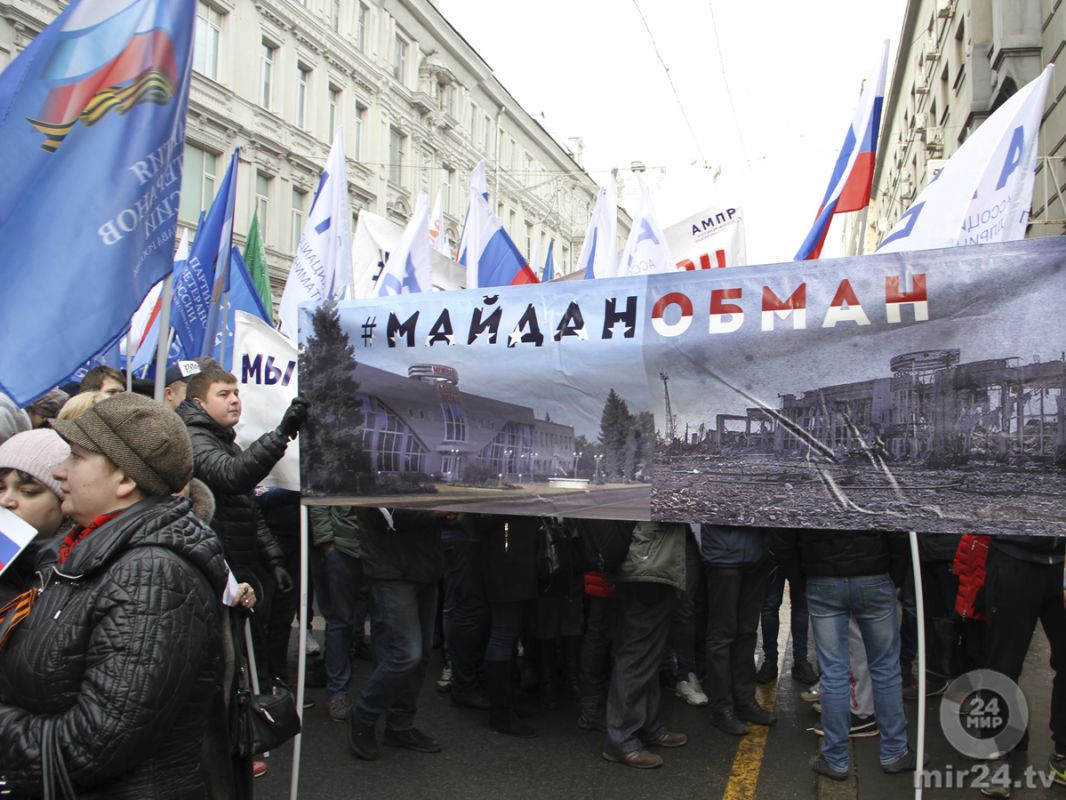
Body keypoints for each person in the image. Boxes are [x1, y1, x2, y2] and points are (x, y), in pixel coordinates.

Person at [0, 393, 228, 798]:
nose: (59, 471)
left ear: (124, 480)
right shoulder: (86, 551)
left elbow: (94, 743)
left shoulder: (152, 575)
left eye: (76, 457)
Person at [177, 366, 308, 685]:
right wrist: (281, 435)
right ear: (199, 403)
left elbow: (248, 509)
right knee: (227, 660)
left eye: (236, 393)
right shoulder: (194, 437)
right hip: (218, 568)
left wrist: (273, 560)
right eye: (223, 394)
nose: (235, 400)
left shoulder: (224, 440)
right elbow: (231, 476)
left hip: (238, 564)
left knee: (251, 649)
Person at [775, 528, 914, 781]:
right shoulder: (878, 493)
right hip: (873, 574)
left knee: (833, 673)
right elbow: (898, 529)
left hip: (823, 578)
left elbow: (784, 536)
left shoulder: (807, 497)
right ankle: (895, 752)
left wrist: (800, 580)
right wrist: (893, 575)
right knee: (885, 668)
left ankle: (835, 758)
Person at [347, 507, 444, 760]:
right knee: (405, 654)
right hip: (390, 570)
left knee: (420, 654)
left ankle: (400, 724)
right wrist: (440, 510)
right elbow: (388, 515)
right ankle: (364, 713)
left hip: (424, 566)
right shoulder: (374, 481)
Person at [979, 533, 1066, 798]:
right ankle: (996, 754)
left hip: (1061, 562)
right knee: (1003, 664)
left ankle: (1063, 752)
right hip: (1013, 559)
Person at [602, 521, 688, 769]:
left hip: (652, 560)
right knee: (637, 654)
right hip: (648, 562)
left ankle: (650, 725)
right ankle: (621, 739)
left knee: (650, 654)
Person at [700, 525, 776, 735]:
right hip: (723, 556)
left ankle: (744, 700)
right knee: (722, 635)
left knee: (747, 632)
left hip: (755, 554)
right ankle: (722, 708)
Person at [310, 504, 370, 721]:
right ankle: (337, 693)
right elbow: (318, 497)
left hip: (374, 546)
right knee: (341, 620)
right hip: (341, 545)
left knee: (366, 620)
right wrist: (327, 543)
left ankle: (378, 696)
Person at [0, 428, 70, 602]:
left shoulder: (72, 571)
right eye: (0, 488)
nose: (5, 501)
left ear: (64, 502)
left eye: (28, 491)